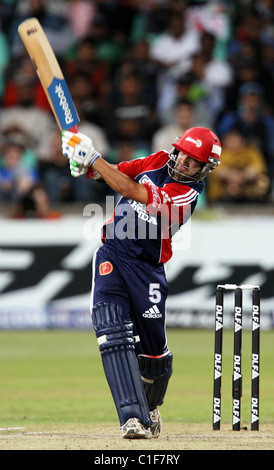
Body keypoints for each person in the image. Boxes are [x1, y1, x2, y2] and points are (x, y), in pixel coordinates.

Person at [61, 126, 222, 439]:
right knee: (111, 332)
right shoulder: (159, 160)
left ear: (204, 170)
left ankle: (150, 407)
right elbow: (115, 174)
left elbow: (133, 191)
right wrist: (84, 165)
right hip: (113, 253)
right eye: (181, 155)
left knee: (153, 358)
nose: (181, 163)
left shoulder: (186, 194)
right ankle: (132, 418)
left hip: (147, 270)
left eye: (192, 162)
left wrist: (94, 157)